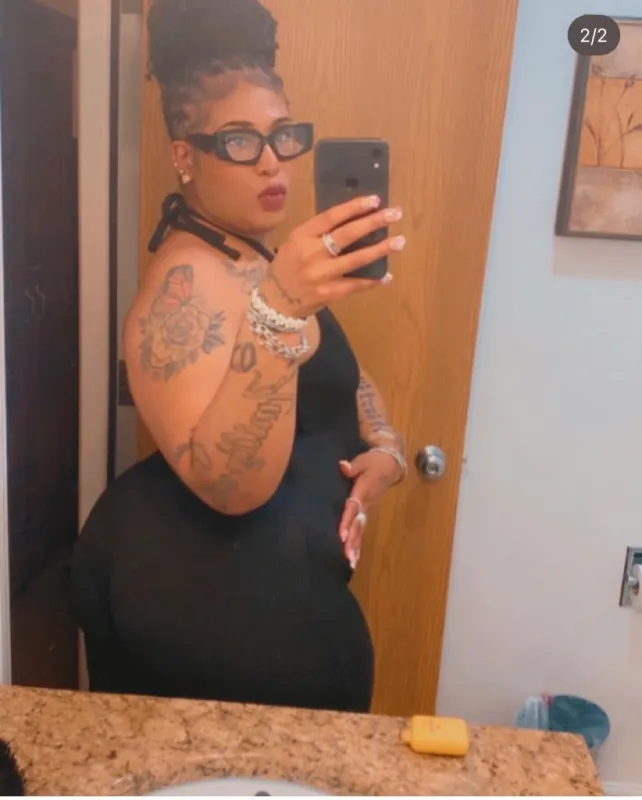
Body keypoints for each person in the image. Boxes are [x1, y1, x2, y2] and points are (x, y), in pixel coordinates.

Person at [70, 0, 407, 713]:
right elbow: (230, 487)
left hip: (279, 592)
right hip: (205, 596)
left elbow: (333, 370)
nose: (272, 161)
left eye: (282, 135)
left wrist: (385, 450)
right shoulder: (187, 283)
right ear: (185, 156)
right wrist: (281, 304)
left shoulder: (254, 254)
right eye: (239, 141)